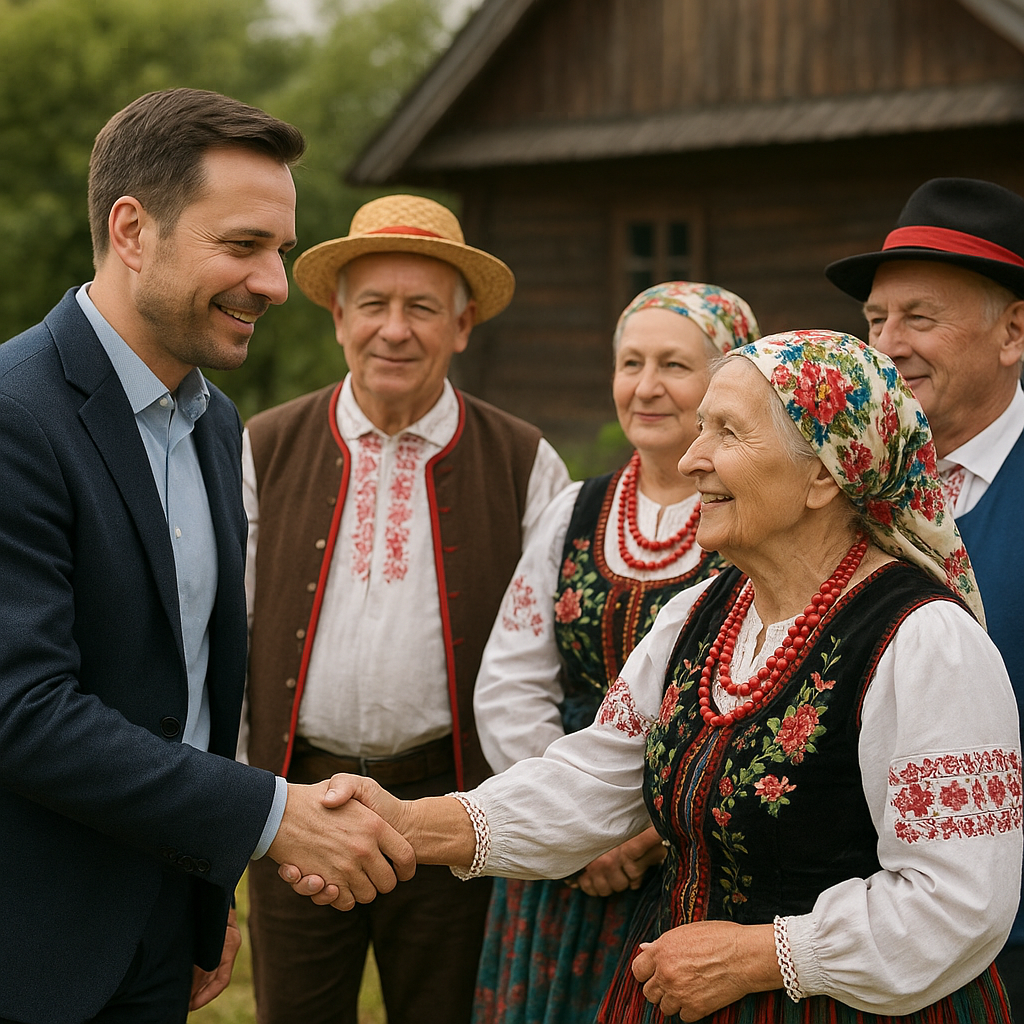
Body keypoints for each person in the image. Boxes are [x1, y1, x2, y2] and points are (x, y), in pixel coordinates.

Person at [293, 331, 1022, 1022]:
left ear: (824, 477)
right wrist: (407, 824)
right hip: (682, 992)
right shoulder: (703, 613)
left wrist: (761, 956)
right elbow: (589, 781)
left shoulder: (926, 643)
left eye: (728, 433)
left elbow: (958, 902)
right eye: (701, 428)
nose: (694, 457)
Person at [0, 88, 415, 1024]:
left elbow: (185, 692)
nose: (276, 283)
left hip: (160, 925)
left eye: (281, 250)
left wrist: (202, 888)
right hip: (30, 947)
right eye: (243, 245)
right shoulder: (14, 415)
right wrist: (270, 817)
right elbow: (20, 709)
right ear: (132, 230)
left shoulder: (216, 424)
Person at [241, 193, 571, 1024]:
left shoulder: (526, 462)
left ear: (462, 326)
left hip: (454, 817)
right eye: (373, 305)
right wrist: (245, 803)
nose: (394, 330)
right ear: (338, 318)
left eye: (422, 308)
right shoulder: (263, 447)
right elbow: (226, 633)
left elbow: (550, 656)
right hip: (296, 809)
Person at [471, 281, 760, 1024]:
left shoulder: (754, 521)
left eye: (675, 365)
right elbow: (510, 679)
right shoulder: (575, 509)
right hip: (560, 841)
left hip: (689, 852)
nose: (646, 386)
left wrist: (648, 830)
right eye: (631, 363)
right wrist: (568, 826)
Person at [825, 177, 1024, 1013]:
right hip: (847, 929)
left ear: (1014, 332)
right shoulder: (833, 489)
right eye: (875, 321)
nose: (886, 345)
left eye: (919, 318)